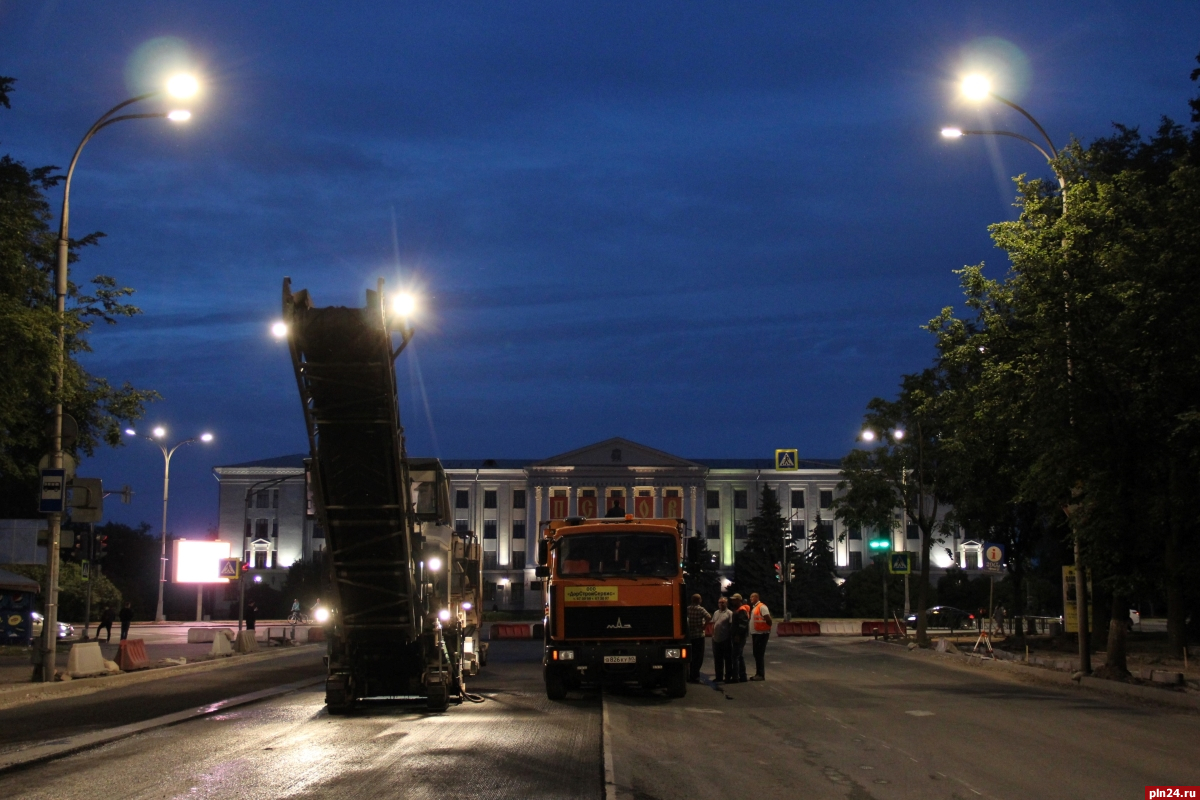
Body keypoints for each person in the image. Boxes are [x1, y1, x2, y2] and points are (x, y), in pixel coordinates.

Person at [686, 593, 711, 683]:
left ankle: (689, 675)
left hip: (690, 636)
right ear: (699, 600)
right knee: (698, 657)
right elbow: (708, 617)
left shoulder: (687, 609)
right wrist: (704, 626)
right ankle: (695, 676)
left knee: (691, 657)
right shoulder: (700, 609)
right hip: (699, 636)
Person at [749, 591, 772, 680]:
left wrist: (766, 629)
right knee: (756, 654)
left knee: (759, 654)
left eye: (752, 597)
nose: (751, 598)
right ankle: (758, 673)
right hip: (756, 633)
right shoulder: (755, 607)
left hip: (761, 634)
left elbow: (768, 619)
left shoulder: (762, 607)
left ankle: (760, 675)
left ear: (757, 598)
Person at [710, 596, 733, 683]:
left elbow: (731, 626)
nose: (721, 604)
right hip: (716, 639)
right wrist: (713, 634)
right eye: (719, 602)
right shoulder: (716, 613)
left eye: (722, 602)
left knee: (727, 659)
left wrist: (729, 637)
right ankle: (718, 676)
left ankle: (728, 677)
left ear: (726, 603)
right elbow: (713, 623)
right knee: (717, 659)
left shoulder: (729, 613)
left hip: (725, 639)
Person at [730, 593, 750, 682]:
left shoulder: (741, 610)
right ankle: (742, 676)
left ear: (738, 600)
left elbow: (743, 624)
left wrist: (738, 635)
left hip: (739, 637)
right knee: (739, 656)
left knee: (735, 656)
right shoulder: (738, 609)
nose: (732, 601)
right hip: (738, 636)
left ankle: (735, 677)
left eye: (734, 599)